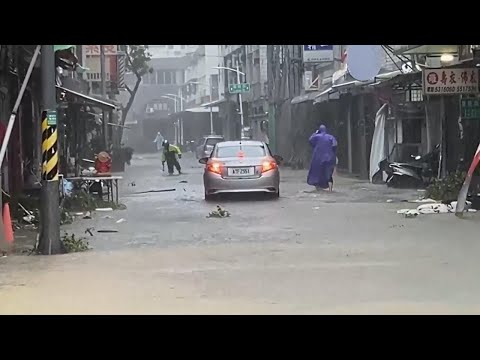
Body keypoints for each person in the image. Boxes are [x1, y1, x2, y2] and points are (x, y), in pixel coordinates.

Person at [307, 124, 337, 192]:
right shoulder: (331, 137)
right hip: (330, 158)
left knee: (316, 173)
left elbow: (310, 140)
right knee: (329, 174)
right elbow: (335, 145)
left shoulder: (316, 136)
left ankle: (318, 189)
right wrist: (333, 154)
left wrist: (315, 133)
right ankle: (330, 190)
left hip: (318, 158)